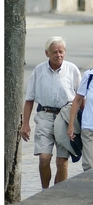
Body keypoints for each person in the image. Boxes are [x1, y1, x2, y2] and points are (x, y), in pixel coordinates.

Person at [20, 36, 81, 189]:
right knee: (44, 158)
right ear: (47, 53)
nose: (58, 55)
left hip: (66, 116)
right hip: (45, 115)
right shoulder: (39, 70)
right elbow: (29, 99)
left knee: (62, 161)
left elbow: (81, 98)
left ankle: (58, 194)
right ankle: (45, 190)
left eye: (61, 52)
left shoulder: (72, 69)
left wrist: (82, 122)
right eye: (54, 52)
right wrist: (25, 124)